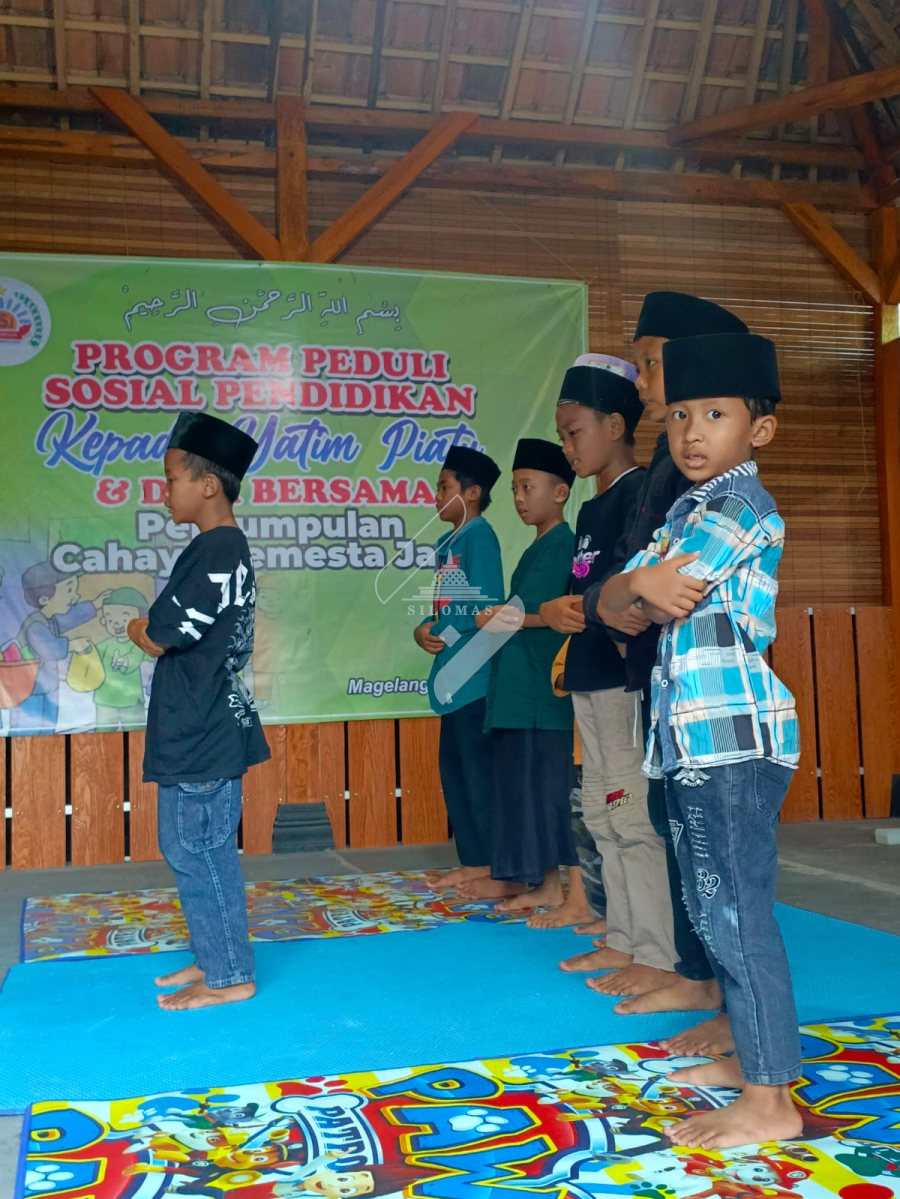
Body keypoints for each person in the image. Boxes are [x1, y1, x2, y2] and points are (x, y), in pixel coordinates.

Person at [601, 332, 801, 1149]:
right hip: (689, 742)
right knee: (710, 907)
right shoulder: (688, 508)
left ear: (760, 429)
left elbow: (660, 597)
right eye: (680, 413)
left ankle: (771, 1098)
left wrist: (637, 588)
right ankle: (748, 1054)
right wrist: (631, 587)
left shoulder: (738, 506)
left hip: (732, 744)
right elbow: (618, 604)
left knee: (736, 911)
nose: (691, 431)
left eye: (715, 414)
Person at [581, 291, 751, 1011]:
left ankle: (708, 984)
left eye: (651, 363)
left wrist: (623, 596)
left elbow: (661, 588)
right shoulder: (668, 459)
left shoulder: (723, 488)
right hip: (656, 676)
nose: (642, 380)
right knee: (668, 824)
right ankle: (688, 970)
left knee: (709, 854)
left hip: (701, 690)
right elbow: (628, 579)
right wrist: (616, 596)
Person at [540, 354, 676, 987]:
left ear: (616, 426)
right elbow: (586, 595)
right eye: (563, 435)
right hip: (589, 678)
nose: (567, 447)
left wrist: (605, 619)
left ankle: (655, 952)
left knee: (630, 815)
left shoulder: (639, 495)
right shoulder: (589, 510)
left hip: (623, 684)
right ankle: (622, 936)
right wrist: (560, 615)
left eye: (575, 433)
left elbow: (634, 596)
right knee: (599, 813)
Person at [128, 411, 270, 1011]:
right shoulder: (214, 547)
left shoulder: (220, 547)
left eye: (171, 479)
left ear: (208, 484)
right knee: (188, 850)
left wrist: (137, 626)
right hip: (199, 723)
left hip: (203, 728)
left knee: (202, 852)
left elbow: (162, 634)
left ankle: (230, 973)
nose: (164, 491)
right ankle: (214, 954)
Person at [479, 437, 578, 911]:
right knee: (525, 790)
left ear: (560, 493)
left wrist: (501, 616)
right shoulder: (535, 547)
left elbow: (553, 614)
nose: (519, 498)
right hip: (518, 690)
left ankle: (557, 886)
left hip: (541, 693)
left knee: (547, 791)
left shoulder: (561, 545)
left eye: (527, 487)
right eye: (515, 489)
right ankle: (540, 881)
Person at [415, 445, 504, 897]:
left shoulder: (480, 537)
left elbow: (485, 608)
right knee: (454, 772)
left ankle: (494, 866)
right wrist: (423, 629)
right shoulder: (447, 543)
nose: (435, 496)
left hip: (475, 676)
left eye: (443, 487)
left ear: (472, 493)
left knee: (478, 775)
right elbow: (446, 609)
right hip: (451, 677)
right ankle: (472, 861)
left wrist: (440, 631)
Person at [526, 637, 607, 933]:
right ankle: (589, 905)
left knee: (632, 836)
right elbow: (561, 675)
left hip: (632, 750)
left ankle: (623, 918)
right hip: (590, 750)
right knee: (588, 831)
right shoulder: (587, 630)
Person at [10, 563, 109, 733]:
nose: (76, 596)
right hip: (29, 691)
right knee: (26, 731)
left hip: (48, 688)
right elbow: (49, 648)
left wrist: (95, 605)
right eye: (69, 591)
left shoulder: (50, 620)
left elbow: (70, 618)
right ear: (44, 600)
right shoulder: (35, 624)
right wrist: (71, 644)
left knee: (48, 729)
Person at [90, 586, 151, 731]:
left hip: (131, 700)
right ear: (104, 620)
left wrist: (124, 661)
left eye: (125, 617)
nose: (116, 623)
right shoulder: (103, 645)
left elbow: (135, 658)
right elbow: (92, 660)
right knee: (102, 736)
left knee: (137, 735)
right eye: (110, 618)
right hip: (104, 700)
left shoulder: (139, 643)